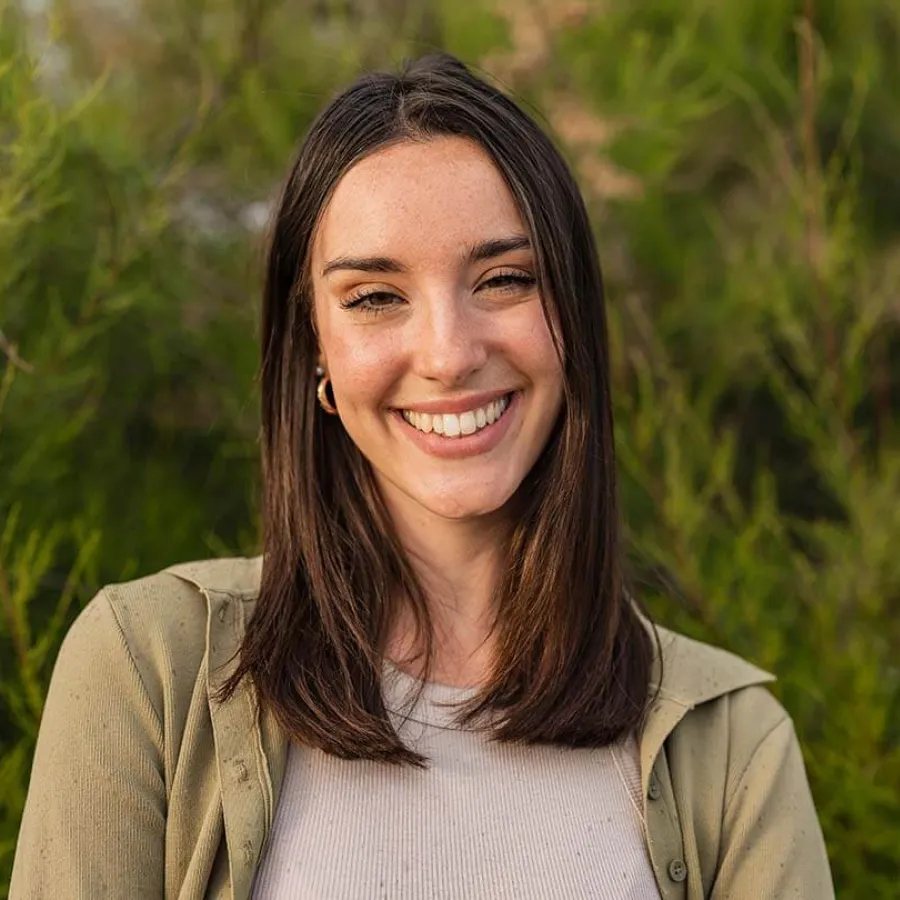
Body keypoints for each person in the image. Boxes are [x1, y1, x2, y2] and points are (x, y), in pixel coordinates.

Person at [10, 53, 834, 899]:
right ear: (316, 352)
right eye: (374, 296)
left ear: (575, 324)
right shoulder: (147, 671)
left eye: (505, 280)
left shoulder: (731, 746)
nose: (448, 354)